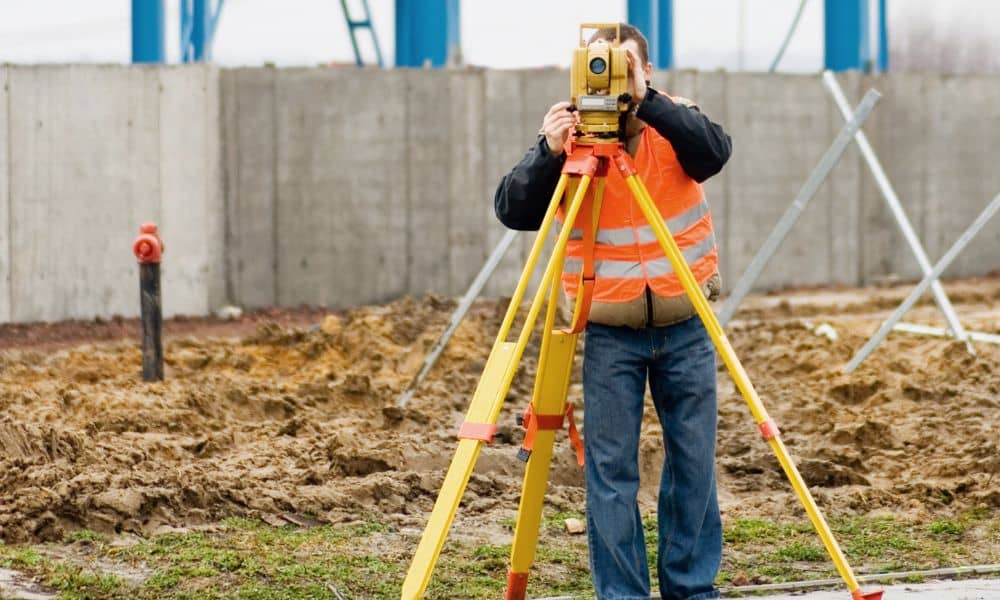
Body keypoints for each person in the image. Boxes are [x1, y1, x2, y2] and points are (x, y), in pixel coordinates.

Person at [494, 23, 733, 600]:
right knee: (610, 477)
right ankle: (622, 595)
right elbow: (513, 209)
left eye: (625, 66)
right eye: (598, 66)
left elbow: (714, 152)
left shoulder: (674, 120)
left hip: (686, 324)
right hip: (610, 333)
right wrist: (548, 150)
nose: (612, 78)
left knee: (694, 466)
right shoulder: (571, 140)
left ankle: (690, 590)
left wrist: (646, 104)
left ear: (647, 71)